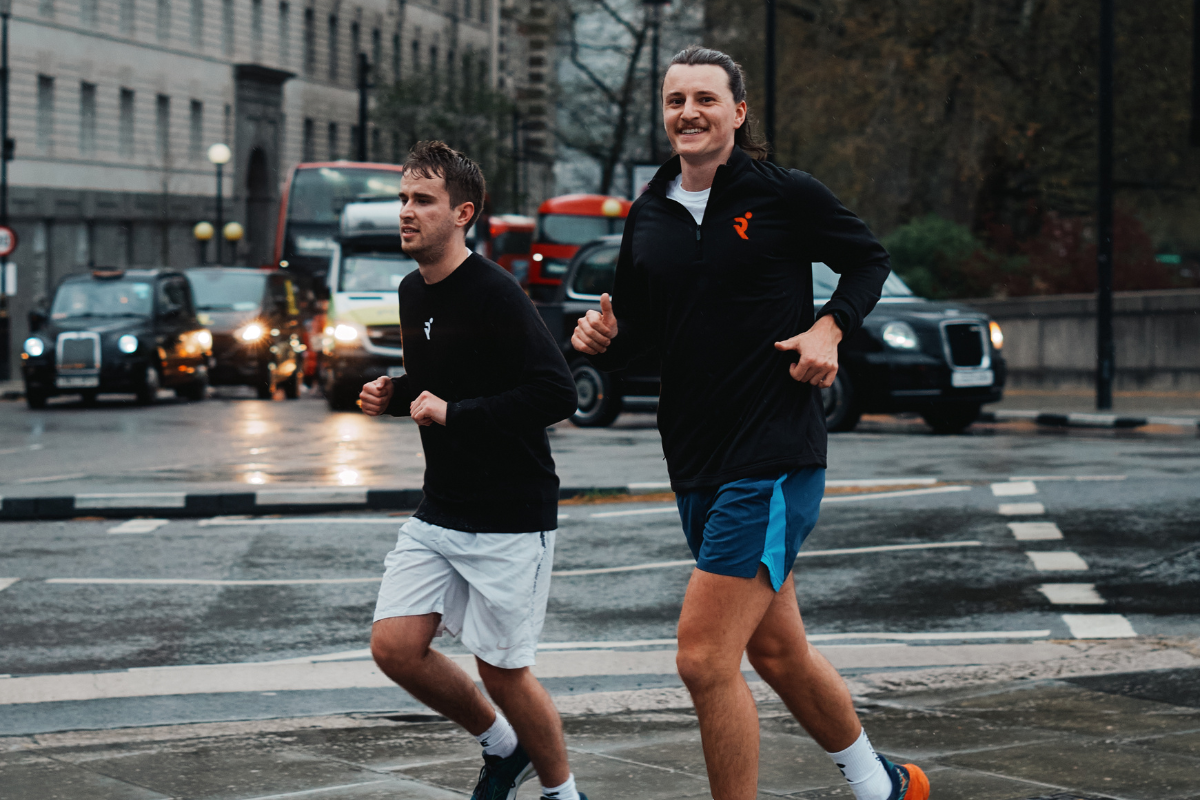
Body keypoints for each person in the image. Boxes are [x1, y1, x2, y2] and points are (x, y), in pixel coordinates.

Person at [571, 46, 929, 800]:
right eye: (675, 101)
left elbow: (869, 262)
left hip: (771, 452)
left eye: (706, 98)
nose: (688, 113)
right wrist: (604, 338)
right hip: (694, 455)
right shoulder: (650, 212)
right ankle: (881, 785)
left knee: (703, 659)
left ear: (737, 112)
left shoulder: (783, 195)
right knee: (778, 650)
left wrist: (830, 328)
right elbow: (643, 329)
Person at [360, 141, 585, 800]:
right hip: (443, 508)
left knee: (504, 672)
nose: (406, 212)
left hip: (510, 516)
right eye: (402, 199)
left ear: (462, 213)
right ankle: (500, 744)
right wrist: (395, 392)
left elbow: (556, 393)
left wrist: (454, 413)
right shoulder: (412, 291)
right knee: (394, 647)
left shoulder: (497, 293)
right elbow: (441, 380)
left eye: (422, 201)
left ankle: (563, 794)